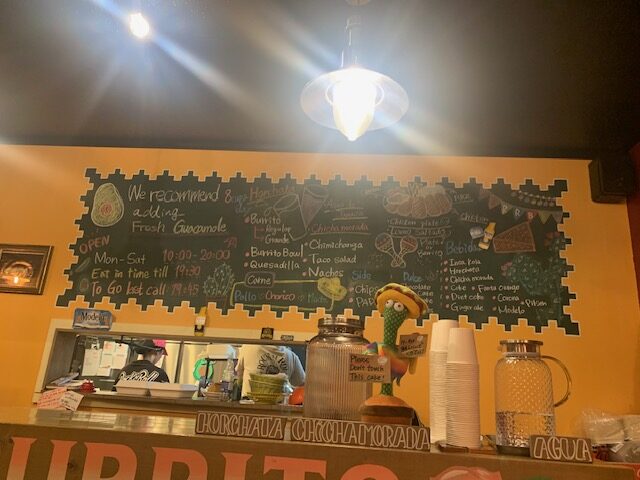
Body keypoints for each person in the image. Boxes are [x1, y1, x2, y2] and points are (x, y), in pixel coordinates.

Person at [236, 344, 305, 396]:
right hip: (279, 406)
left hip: (249, 403)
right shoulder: (291, 356)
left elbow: (239, 378)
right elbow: (302, 384)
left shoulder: (248, 347)